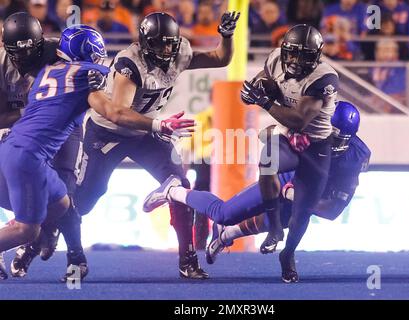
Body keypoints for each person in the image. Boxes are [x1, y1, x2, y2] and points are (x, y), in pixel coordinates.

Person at [14, 11, 241, 281]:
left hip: (146, 132)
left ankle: (188, 259)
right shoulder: (129, 63)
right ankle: (36, 238)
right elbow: (119, 114)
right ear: (144, 43)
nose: (166, 49)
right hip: (109, 133)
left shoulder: (180, 52)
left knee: (180, 187)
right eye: (159, 43)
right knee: (81, 202)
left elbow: (220, 58)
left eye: (170, 42)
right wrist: (158, 126)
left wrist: (226, 36)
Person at [145, 24, 339, 283]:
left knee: (301, 213)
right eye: (291, 54)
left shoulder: (323, 79)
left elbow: (298, 121)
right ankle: (270, 231)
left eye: (302, 56)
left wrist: (264, 101)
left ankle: (287, 254)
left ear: (316, 57)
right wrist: (255, 89)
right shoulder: (275, 59)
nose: (294, 61)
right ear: (284, 51)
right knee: (265, 164)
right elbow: (264, 80)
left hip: (315, 147)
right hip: (287, 139)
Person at [143, 101, 369, 282]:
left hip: (309, 186)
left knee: (286, 219)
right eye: (327, 134)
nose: (329, 141)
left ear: (350, 137)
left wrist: (293, 195)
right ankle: (173, 191)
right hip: (285, 177)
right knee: (224, 214)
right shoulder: (309, 127)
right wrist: (285, 134)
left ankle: (226, 235)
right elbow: (265, 134)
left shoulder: (356, 157)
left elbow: (332, 212)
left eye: (337, 137)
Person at [0, 12, 82, 278]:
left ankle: (74, 256)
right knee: (19, 194)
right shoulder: (1, 63)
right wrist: (25, 114)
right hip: (16, 129)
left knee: (64, 196)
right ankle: (18, 236)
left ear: (41, 42)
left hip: (59, 126)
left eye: (31, 51)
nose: (24, 59)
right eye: (16, 53)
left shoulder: (58, 51)